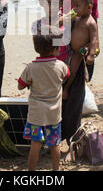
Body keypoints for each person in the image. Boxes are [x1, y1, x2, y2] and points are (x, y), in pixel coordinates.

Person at [18, 25, 70, 171]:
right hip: (54, 114)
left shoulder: (31, 67)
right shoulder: (61, 66)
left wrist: (30, 83)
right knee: (55, 144)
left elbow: (20, 85)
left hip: (36, 115)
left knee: (35, 145)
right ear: (55, 49)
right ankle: (55, 170)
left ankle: (31, 171)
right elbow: (67, 76)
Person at [61, 0, 99, 144]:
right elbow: (59, 25)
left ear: (89, 7)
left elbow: (95, 41)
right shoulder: (75, 18)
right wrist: (68, 16)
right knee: (69, 68)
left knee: (75, 66)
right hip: (68, 53)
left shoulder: (90, 22)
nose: (74, 9)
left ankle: (66, 89)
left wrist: (90, 54)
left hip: (80, 53)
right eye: (73, 5)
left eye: (78, 6)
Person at [64, 0, 98, 81]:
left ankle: (85, 82)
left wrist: (95, 43)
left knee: (86, 59)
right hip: (71, 34)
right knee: (70, 65)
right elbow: (65, 18)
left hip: (86, 36)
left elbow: (94, 20)